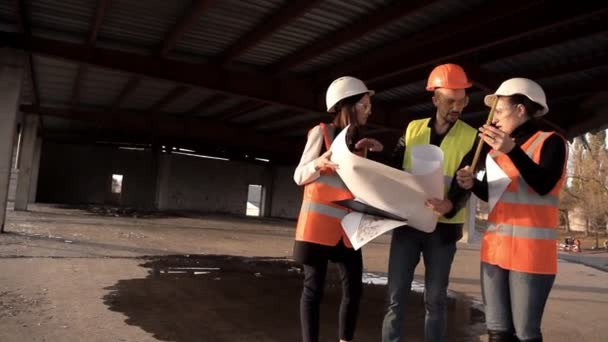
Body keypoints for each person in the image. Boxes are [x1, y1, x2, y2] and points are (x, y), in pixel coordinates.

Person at [456, 78, 568, 342]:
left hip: (530, 255)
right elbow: (495, 195)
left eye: (499, 109)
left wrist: (512, 150)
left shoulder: (551, 142)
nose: (494, 117)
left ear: (520, 109)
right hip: (495, 250)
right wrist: (473, 184)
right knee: (497, 331)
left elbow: (543, 184)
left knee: (526, 333)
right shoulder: (496, 152)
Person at [381, 63, 478, 342]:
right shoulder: (412, 130)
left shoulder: (472, 137)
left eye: (462, 101)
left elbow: (467, 181)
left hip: (444, 230)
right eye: (450, 100)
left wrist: (452, 204)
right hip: (408, 225)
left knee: (435, 301)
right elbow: (394, 167)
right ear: (435, 99)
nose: (456, 107)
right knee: (395, 298)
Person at [293, 76, 384, 342]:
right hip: (318, 228)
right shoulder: (320, 133)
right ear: (349, 106)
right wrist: (318, 164)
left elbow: (358, 189)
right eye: (365, 105)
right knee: (313, 289)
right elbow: (299, 176)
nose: (370, 110)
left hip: (347, 229)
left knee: (354, 290)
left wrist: (372, 158)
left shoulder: (359, 143)